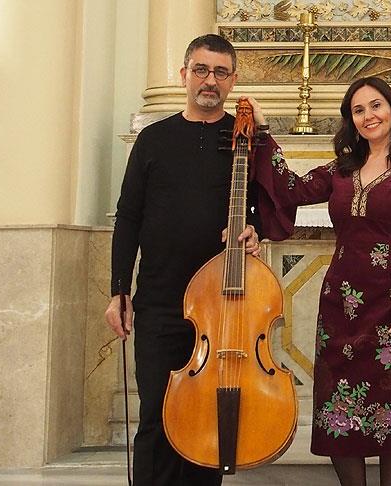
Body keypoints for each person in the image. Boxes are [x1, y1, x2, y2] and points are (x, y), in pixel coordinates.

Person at [245, 76, 391, 486]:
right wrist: (262, 131)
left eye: (375, 105)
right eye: (358, 110)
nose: (368, 116)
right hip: (341, 308)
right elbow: (291, 189)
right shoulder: (341, 170)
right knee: (340, 408)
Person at [104, 34, 261, 486]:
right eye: (201, 70)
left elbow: (260, 208)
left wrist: (254, 230)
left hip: (221, 307)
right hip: (159, 303)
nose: (210, 80)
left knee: (207, 420)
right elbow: (128, 217)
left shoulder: (245, 141)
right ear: (184, 75)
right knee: (156, 416)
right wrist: (119, 290)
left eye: (220, 72)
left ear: (233, 81)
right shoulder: (153, 139)